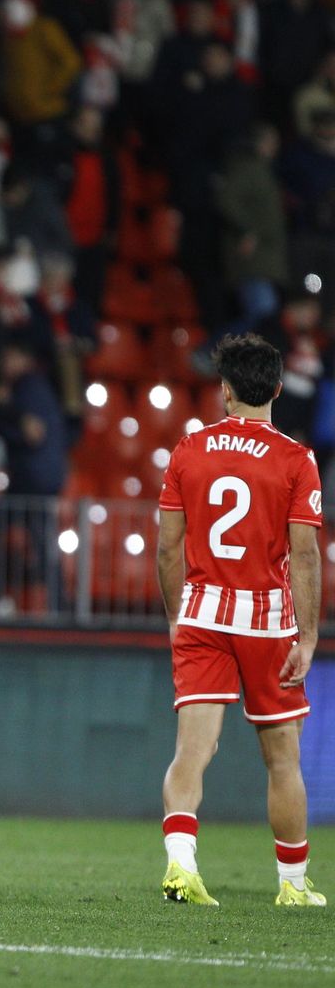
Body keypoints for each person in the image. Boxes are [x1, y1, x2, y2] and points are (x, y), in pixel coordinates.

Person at [155, 334, 325, 907]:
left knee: (191, 750)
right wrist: (308, 633)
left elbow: (167, 549)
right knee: (282, 757)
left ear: (225, 390)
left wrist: (178, 613)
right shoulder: (297, 460)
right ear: (277, 388)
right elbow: (304, 555)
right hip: (268, 623)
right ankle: (293, 886)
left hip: (202, 612)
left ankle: (181, 865)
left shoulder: (189, 449)